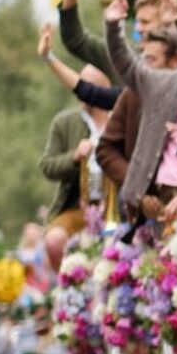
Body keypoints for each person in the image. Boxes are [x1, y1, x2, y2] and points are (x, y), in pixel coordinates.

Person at [103, 0, 177, 222]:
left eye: (151, 60)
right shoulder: (142, 85)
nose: (144, 68)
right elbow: (124, 62)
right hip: (149, 205)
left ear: (176, 60)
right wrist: (113, 27)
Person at [39, 67, 113, 269]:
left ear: (106, 89)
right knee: (54, 241)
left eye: (88, 87)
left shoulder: (120, 119)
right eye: (79, 86)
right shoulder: (64, 122)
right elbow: (47, 166)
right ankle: (67, 289)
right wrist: (74, 156)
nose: (82, 92)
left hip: (116, 207)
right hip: (77, 207)